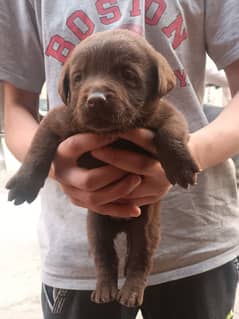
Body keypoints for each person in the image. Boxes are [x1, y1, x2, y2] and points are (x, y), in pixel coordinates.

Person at [1, 1, 239, 318]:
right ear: (67, 89)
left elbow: (173, 122)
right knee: (102, 246)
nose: (96, 93)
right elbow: (18, 109)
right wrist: (47, 171)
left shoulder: (161, 111)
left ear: (157, 84)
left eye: (127, 75)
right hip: (75, 255)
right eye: (80, 78)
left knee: (143, 238)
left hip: (197, 241)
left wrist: (185, 155)